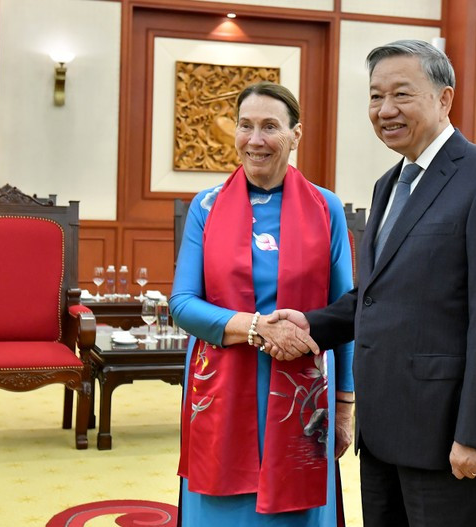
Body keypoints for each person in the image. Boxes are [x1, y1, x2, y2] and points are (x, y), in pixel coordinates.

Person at [272, 40, 476, 526]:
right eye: (375, 96)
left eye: (401, 95)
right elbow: (377, 294)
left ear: (444, 99)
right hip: (382, 434)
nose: (384, 110)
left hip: (446, 438)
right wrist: (312, 322)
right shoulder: (388, 185)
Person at [170, 81, 355, 526]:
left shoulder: (325, 207)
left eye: (270, 126)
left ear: (296, 135)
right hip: (221, 383)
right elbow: (182, 303)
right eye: (245, 126)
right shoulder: (206, 207)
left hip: (301, 390)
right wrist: (255, 327)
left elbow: (348, 311)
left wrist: (346, 404)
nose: (255, 140)